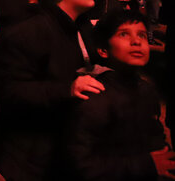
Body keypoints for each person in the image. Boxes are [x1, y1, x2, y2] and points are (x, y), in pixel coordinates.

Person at [0, 0, 102, 180]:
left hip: (68, 150)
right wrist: (67, 89)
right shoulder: (26, 31)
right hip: (30, 160)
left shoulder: (81, 26)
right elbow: (11, 93)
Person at [67, 11, 175, 180]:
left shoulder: (146, 89)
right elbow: (80, 165)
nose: (136, 41)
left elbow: (155, 137)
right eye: (124, 34)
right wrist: (146, 164)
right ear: (103, 50)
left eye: (142, 35)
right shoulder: (96, 96)